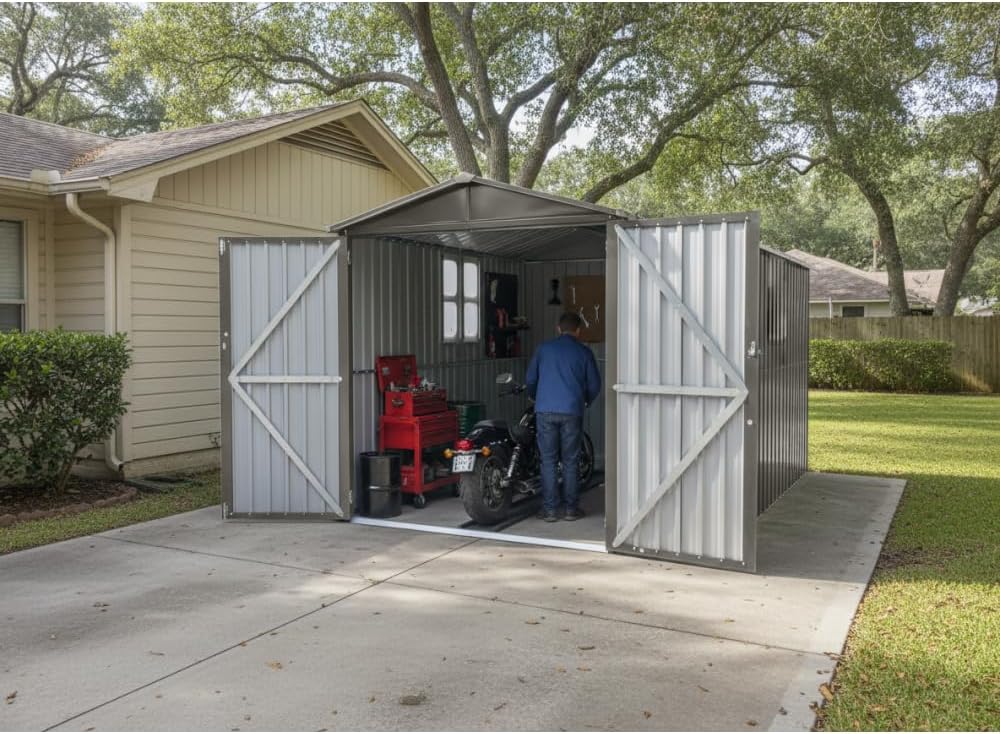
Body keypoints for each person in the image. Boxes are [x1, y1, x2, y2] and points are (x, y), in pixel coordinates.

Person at [525, 312, 601, 522]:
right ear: (578, 330)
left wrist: (535, 397)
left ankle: (549, 511)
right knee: (570, 460)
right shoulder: (584, 352)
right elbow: (595, 384)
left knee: (548, 461)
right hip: (571, 411)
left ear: (558, 329)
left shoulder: (543, 349)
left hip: (545, 411)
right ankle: (570, 509)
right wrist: (584, 400)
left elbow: (530, 379)